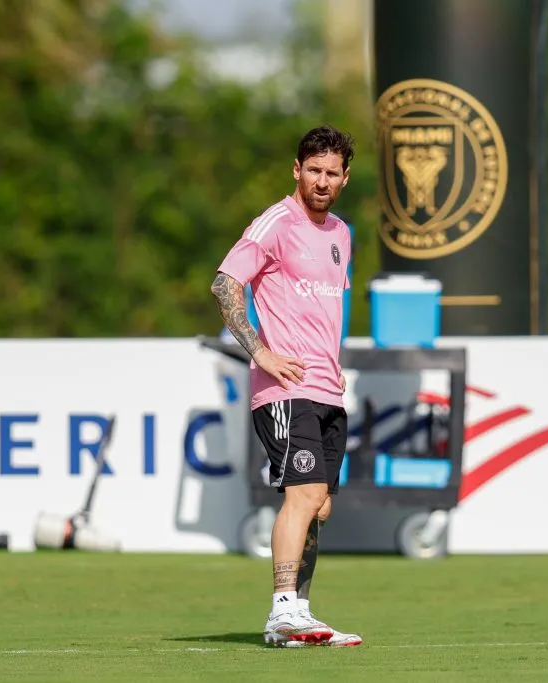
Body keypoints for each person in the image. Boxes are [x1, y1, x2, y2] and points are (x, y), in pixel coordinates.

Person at [210, 126, 362, 648]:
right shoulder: (275, 222)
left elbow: (325, 309)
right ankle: (281, 611)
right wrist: (262, 353)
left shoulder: (341, 233)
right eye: (313, 170)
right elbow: (224, 284)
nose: (322, 181)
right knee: (302, 494)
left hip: (327, 389)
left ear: (345, 178)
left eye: (332, 173)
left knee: (318, 505)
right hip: (284, 389)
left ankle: (298, 615)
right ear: (297, 170)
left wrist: (334, 362)